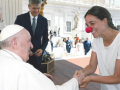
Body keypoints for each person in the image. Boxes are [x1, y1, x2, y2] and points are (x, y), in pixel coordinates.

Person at [0, 24, 85, 90]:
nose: (32, 46)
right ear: (15, 43)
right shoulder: (22, 69)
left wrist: (36, 78)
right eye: (29, 41)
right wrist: (75, 81)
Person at [77, 6, 120, 90]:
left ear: (104, 21)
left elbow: (117, 77)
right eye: (87, 25)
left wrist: (91, 78)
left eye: (92, 23)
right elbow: (92, 66)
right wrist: (81, 73)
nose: (88, 29)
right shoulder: (97, 40)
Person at [14, 0, 49, 71]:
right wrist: (24, 49)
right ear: (29, 6)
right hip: (22, 57)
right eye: (34, 8)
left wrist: (42, 49)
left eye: (38, 8)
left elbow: (45, 39)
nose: (37, 11)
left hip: (37, 59)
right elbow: (14, 37)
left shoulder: (44, 21)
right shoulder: (20, 19)